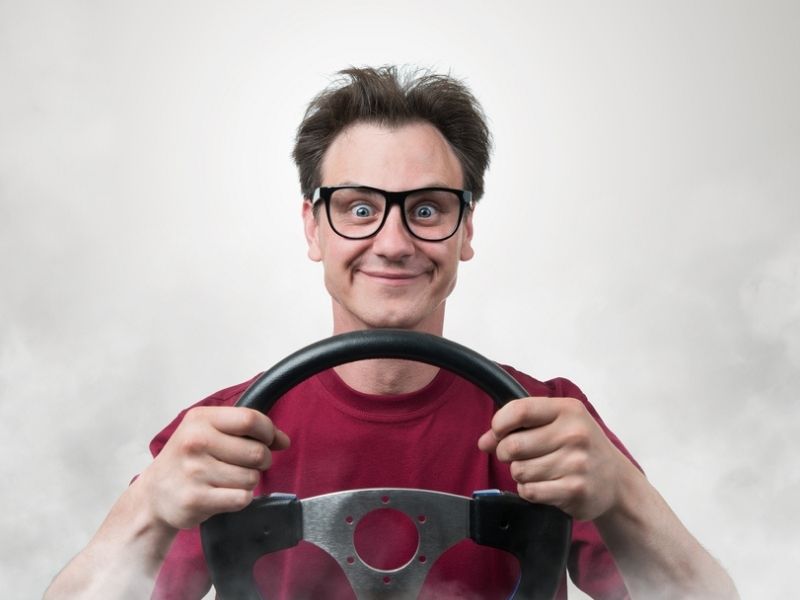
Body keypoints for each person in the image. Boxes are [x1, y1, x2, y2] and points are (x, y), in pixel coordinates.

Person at [45, 66, 738, 599]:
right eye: (358, 207)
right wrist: (147, 509)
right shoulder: (224, 435)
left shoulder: (544, 425)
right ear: (312, 228)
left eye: (428, 209)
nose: (394, 241)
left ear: (466, 230)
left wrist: (622, 491)